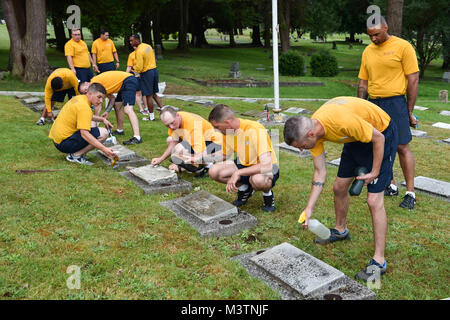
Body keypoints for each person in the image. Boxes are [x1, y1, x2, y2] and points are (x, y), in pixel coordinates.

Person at [283, 96, 398, 282]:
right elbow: (320, 173)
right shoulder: (314, 133)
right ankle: (340, 230)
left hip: (382, 133)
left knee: (373, 200)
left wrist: (375, 171)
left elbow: (379, 138)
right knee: (339, 187)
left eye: (302, 146)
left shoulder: (341, 122)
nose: (302, 150)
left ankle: (379, 261)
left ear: (310, 135)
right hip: (356, 138)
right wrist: (309, 207)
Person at [358, 16, 419, 210]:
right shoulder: (368, 51)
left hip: (395, 102)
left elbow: (413, 80)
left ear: (386, 27)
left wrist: (409, 111)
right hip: (374, 104)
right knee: (380, 146)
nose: (373, 39)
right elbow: (363, 83)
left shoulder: (403, 47)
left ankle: (410, 192)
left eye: (376, 34)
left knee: (402, 146)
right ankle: (390, 184)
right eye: (370, 36)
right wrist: (360, 106)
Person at [207, 104, 279, 212]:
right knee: (214, 171)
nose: (216, 130)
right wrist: (199, 158)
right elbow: (224, 155)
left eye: (217, 127)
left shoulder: (254, 129)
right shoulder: (227, 131)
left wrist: (238, 173)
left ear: (227, 123)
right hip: (244, 164)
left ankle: (267, 194)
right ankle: (245, 189)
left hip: (266, 168)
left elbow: (267, 165)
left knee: (257, 180)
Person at [49, 83, 116, 165]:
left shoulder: (79, 98)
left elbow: (86, 116)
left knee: (94, 129)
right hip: (64, 143)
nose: (101, 101)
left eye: (102, 98)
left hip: (58, 140)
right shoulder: (84, 107)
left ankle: (77, 153)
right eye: (99, 97)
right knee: (104, 133)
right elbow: (84, 134)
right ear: (90, 93)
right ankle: (75, 156)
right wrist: (104, 149)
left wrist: (102, 119)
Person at [151, 107, 222, 177]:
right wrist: (160, 159)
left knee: (180, 149)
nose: (171, 127)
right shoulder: (176, 120)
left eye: (172, 123)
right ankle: (193, 162)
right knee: (170, 140)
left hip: (215, 143)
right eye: (167, 125)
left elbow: (200, 150)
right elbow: (174, 142)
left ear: (177, 115)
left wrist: (184, 165)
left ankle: (208, 166)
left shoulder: (192, 125)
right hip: (199, 140)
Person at [80, 71, 142, 145]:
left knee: (128, 109)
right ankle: (120, 130)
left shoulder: (95, 84)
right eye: (85, 92)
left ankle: (137, 137)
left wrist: (95, 124)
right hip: (123, 83)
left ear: (87, 83)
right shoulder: (98, 86)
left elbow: (98, 106)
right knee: (117, 104)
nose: (87, 92)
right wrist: (107, 111)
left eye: (85, 89)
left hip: (128, 80)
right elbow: (112, 99)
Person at [129, 34, 164, 121]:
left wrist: (133, 69)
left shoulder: (138, 51)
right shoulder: (148, 46)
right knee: (154, 94)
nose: (130, 42)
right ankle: (164, 111)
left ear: (137, 40)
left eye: (131, 40)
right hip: (154, 70)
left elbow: (139, 68)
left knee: (148, 95)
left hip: (147, 73)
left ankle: (151, 117)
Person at [126, 47, 149, 115]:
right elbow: (129, 66)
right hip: (135, 74)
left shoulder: (144, 53)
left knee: (144, 92)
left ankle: (146, 108)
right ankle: (141, 109)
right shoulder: (131, 55)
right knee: (138, 92)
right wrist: (125, 75)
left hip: (144, 74)